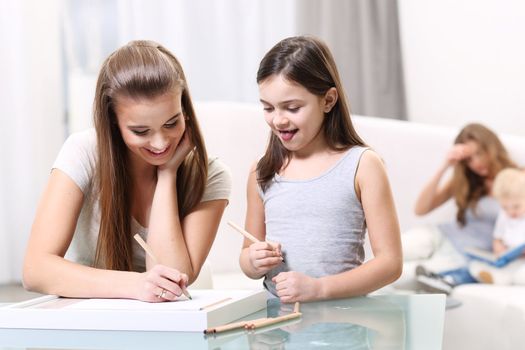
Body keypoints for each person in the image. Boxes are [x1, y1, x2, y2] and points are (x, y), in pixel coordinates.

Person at [23, 40, 231, 302]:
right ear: (112, 120)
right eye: (140, 131)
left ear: (185, 111)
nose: (160, 143)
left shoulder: (210, 175)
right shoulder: (84, 152)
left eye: (171, 123)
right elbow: (35, 270)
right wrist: (136, 285)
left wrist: (167, 175)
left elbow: (172, 277)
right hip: (90, 320)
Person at [239, 35, 403, 303]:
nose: (278, 120)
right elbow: (247, 256)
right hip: (277, 331)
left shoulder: (363, 165)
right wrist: (253, 261)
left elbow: (390, 263)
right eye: (268, 108)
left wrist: (320, 289)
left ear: (328, 100)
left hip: (343, 324)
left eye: (292, 108)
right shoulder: (262, 171)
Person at [412, 123, 516, 294]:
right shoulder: (466, 181)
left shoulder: (516, 179)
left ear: (492, 148)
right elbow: (420, 209)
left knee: (399, 276)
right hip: (438, 236)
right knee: (387, 257)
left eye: (479, 153)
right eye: (468, 159)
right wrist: (445, 166)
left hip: (463, 255)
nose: (476, 163)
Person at [469, 168, 525, 285]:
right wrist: (499, 249)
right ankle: (496, 277)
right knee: (474, 265)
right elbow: (497, 238)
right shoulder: (503, 215)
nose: (511, 212)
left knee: (520, 273)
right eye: (505, 207)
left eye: (516, 207)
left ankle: (505, 279)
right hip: (509, 257)